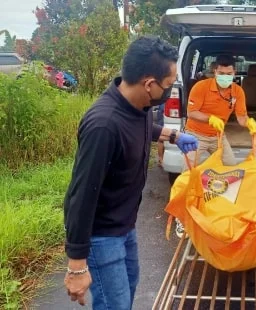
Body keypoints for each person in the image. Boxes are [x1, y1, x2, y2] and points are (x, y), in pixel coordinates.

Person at [63, 36, 198, 310]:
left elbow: (140, 128)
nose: (170, 92)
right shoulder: (104, 125)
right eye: (169, 85)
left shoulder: (139, 105)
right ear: (149, 84)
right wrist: (76, 266)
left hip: (125, 224)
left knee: (129, 288)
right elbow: (81, 196)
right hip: (103, 234)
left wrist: (171, 135)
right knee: (116, 304)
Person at [174, 55, 256, 238]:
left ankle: (223, 210)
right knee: (187, 176)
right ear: (215, 71)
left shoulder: (237, 92)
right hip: (195, 135)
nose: (225, 77)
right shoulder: (201, 87)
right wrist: (210, 118)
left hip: (218, 136)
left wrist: (250, 123)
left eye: (229, 74)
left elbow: (241, 117)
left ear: (234, 73)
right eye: (221, 73)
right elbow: (191, 112)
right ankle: (181, 220)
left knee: (232, 170)